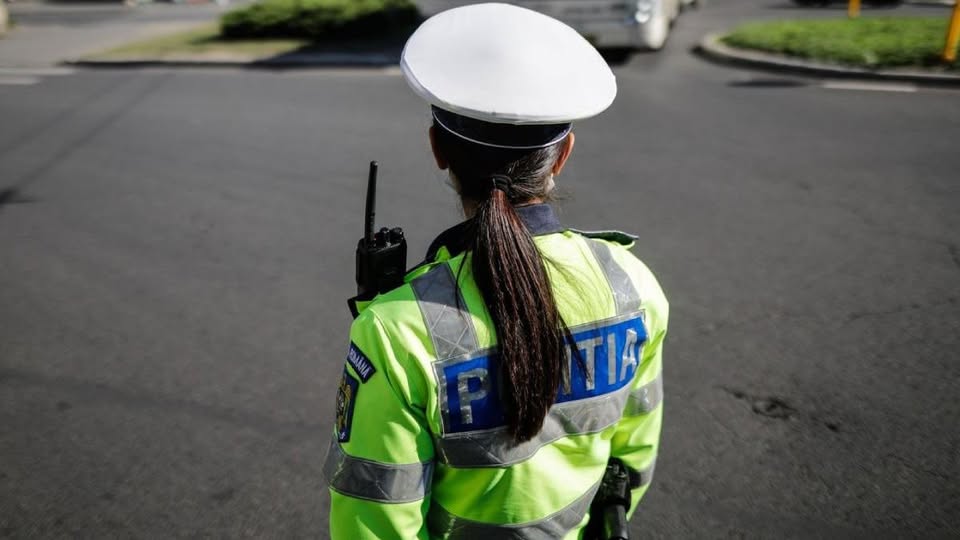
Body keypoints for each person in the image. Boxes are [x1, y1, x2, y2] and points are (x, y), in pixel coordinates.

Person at [323, 3, 668, 538]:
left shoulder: (395, 331)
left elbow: (374, 518)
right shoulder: (632, 284)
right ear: (562, 155)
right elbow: (630, 459)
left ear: (438, 149)